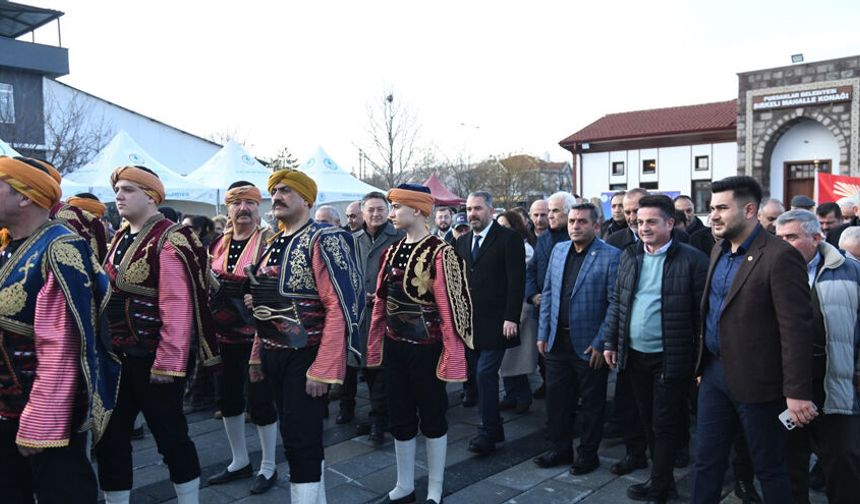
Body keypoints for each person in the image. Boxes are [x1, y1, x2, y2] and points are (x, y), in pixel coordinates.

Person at [96, 166, 220, 504]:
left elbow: (177, 307)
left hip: (152, 362)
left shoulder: (169, 238)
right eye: (117, 189)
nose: (119, 195)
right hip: (115, 359)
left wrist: (167, 363)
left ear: (151, 196)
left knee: (171, 437)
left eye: (128, 189)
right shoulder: (121, 236)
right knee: (109, 438)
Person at [0, 156, 120, 504]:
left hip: (45, 418)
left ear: (24, 196)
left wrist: (41, 425)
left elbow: (63, 349)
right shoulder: (8, 245)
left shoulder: (59, 248)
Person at [692, 176, 816, 504]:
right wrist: (704, 362)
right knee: (706, 461)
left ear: (749, 210)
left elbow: (797, 330)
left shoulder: (779, 256)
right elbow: (713, 311)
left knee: (770, 468)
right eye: (710, 208)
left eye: (721, 208)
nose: (712, 215)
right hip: (715, 376)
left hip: (760, 383)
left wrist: (797, 392)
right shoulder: (719, 249)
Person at [246, 169, 364, 503]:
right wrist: (257, 355)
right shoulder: (270, 243)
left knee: (301, 440)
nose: (277, 197)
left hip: (306, 354)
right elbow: (265, 306)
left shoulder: (324, 238)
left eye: (285, 190)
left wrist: (325, 367)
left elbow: (337, 305)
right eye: (274, 191)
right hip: (273, 352)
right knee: (295, 435)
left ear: (307, 199)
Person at [366, 184, 473, 504]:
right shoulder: (391, 251)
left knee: (432, 414)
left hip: (427, 349)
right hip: (395, 346)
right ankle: (404, 484)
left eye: (397, 207)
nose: (392, 212)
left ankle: (436, 486)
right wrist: (375, 340)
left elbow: (453, 307)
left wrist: (452, 354)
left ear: (417, 210)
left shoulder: (442, 252)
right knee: (399, 414)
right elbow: (382, 302)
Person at [604, 195, 708, 503]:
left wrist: (700, 361)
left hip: (670, 356)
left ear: (670, 223)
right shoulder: (630, 255)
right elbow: (618, 302)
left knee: (664, 423)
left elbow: (703, 315)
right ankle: (662, 480)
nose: (643, 227)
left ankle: (660, 486)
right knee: (646, 418)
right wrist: (611, 341)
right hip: (634, 354)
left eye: (651, 222)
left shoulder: (691, 260)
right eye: (639, 222)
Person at [774, 210, 860, 504]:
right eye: (780, 237)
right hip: (785, 388)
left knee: (844, 460)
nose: (784, 244)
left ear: (816, 237)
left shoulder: (849, 270)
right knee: (789, 463)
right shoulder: (767, 269)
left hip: (837, 382)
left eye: (792, 237)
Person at [534, 202, 619, 475]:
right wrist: (543, 332)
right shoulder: (559, 251)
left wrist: (602, 341)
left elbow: (614, 304)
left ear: (596, 226)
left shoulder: (611, 256)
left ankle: (588, 454)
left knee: (592, 404)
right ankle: (560, 449)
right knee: (557, 401)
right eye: (571, 221)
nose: (575, 226)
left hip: (589, 345)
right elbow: (548, 293)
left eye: (582, 221)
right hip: (557, 341)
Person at [206, 182, 279, 495]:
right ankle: (239, 461)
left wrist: (259, 295)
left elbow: (282, 286)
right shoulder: (217, 244)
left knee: (261, 401)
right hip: (223, 334)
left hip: (258, 336)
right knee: (228, 399)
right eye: (237, 203)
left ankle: (268, 465)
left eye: (250, 202)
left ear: (259, 207)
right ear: (228, 208)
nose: (244, 209)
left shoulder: (270, 241)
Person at [456, 191, 525, 455]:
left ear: (491, 210)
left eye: (477, 208)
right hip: (471, 324)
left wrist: (511, 317)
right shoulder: (461, 242)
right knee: (477, 376)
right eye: (469, 209)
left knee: (486, 374)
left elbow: (516, 281)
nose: (472, 214)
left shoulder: (509, 239)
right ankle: (495, 428)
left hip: (498, 322)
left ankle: (487, 432)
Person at [338, 191, 404, 446]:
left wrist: (382, 295)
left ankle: (378, 421)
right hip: (360, 315)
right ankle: (381, 415)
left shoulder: (399, 237)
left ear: (388, 211)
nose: (376, 214)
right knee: (367, 367)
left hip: (389, 314)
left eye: (380, 209)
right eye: (371, 210)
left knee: (384, 368)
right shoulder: (352, 240)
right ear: (362, 213)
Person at [524, 192, 576, 399]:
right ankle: (549, 387)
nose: (549, 216)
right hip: (543, 310)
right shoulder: (544, 239)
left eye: (554, 211)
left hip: (566, 313)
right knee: (544, 356)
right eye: (548, 212)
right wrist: (532, 295)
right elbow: (531, 270)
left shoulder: (574, 238)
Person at [496, 210, 538, 413]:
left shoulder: (524, 248)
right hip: (504, 307)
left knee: (516, 356)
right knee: (506, 356)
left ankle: (522, 395)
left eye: (505, 226)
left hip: (520, 308)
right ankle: (512, 394)